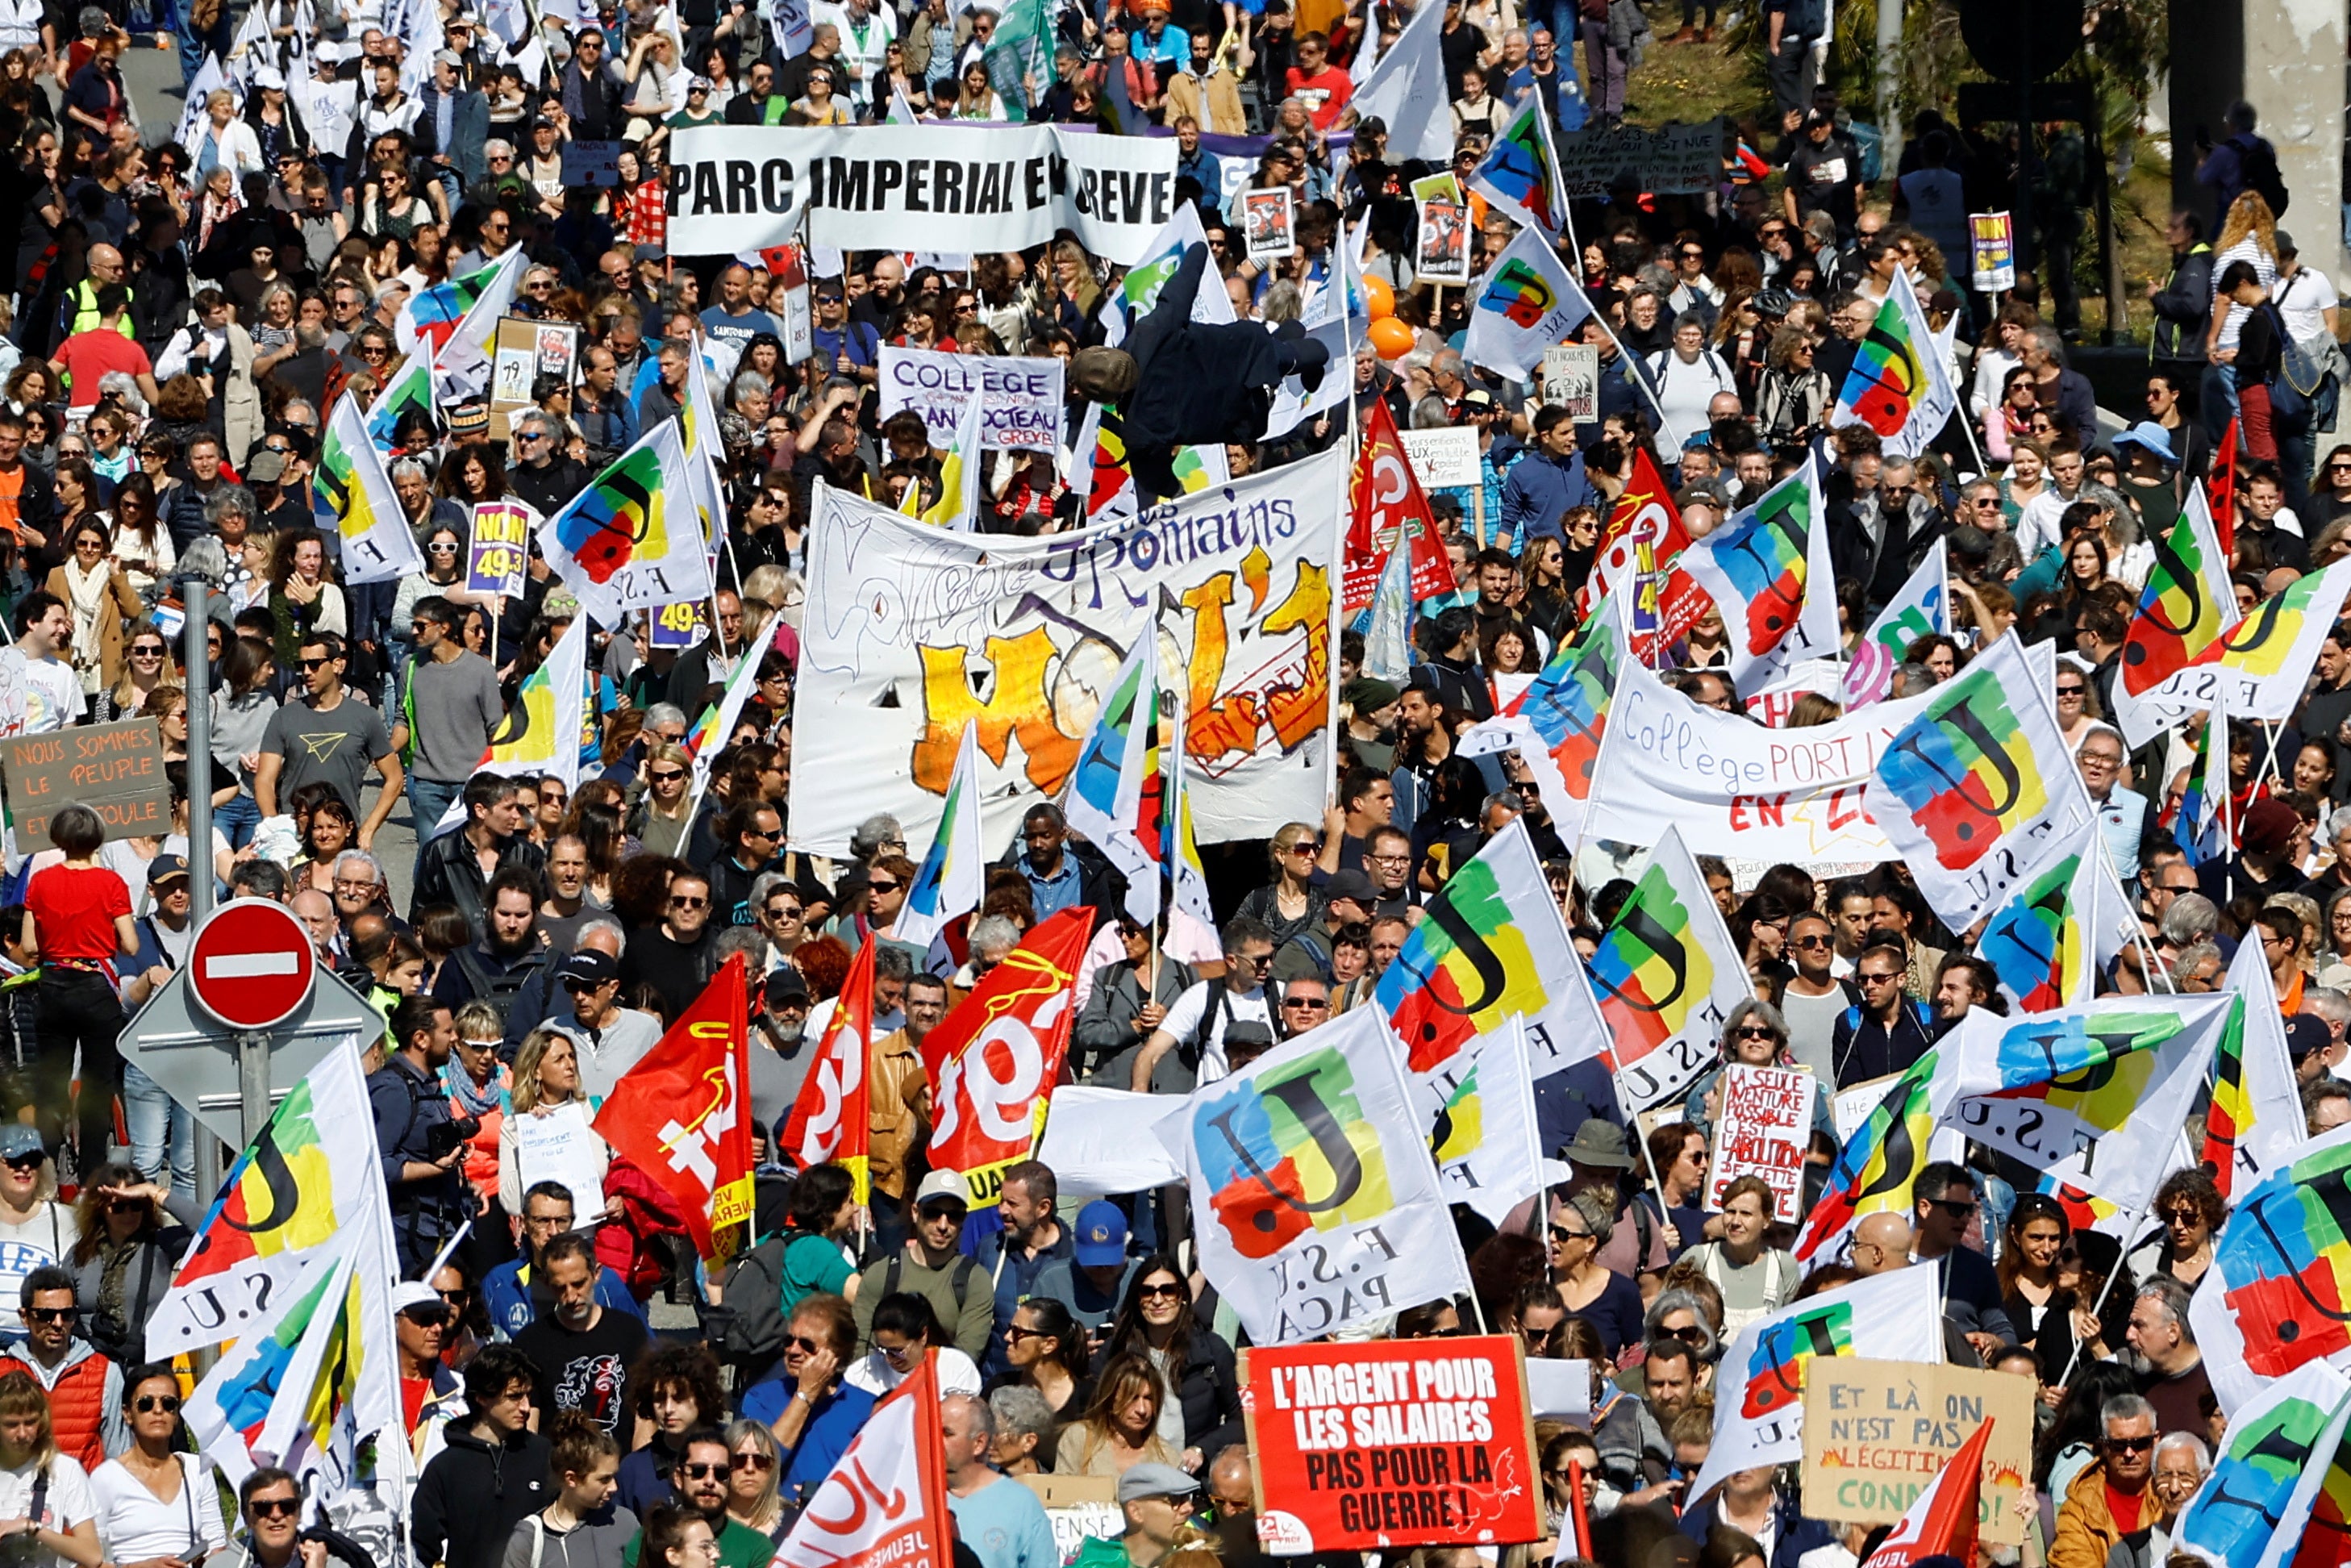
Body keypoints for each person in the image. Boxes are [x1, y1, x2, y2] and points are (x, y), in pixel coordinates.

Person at [21, 803, 135, 1167]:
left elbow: (29, 946)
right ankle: (91, 1174)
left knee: (51, 1085)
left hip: (53, 987)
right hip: (96, 988)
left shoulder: (41, 881)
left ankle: (46, 1170)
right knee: (99, 1085)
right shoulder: (111, 883)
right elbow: (131, 944)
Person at [1096, 1257, 1241, 1471]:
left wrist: (1202, 1450)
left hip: (1190, 1478)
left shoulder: (1212, 1350)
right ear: (1137, 1299)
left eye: (1168, 1291)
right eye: (1147, 1292)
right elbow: (1091, 1412)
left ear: (1182, 1296)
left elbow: (1241, 1420)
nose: (1157, 1300)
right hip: (1127, 1473)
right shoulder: (1115, 1351)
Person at [416, 1345, 553, 1568]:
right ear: (482, 1397)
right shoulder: (446, 1467)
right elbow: (423, 1546)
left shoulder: (545, 1455)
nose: (526, 1407)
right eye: (515, 1397)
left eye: (528, 1395)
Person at [511, 1232, 648, 1441]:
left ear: (596, 1273)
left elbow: (644, 1413)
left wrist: (635, 1471)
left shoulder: (629, 1332)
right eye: (560, 1288)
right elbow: (529, 1420)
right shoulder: (530, 1342)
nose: (571, 1296)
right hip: (558, 1467)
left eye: (578, 1284)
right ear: (546, 1284)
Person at [85, 1364, 223, 1567]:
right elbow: (87, 1560)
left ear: (176, 1415)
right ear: (127, 1413)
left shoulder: (197, 1468)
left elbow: (217, 1547)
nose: (158, 1410)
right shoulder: (106, 1477)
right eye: (146, 1404)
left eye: (168, 1404)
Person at [848, 1170, 993, 1362]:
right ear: (915, 1213)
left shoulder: (975, 1280)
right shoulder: (881, 1274)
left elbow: (965, 1357)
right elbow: (861, 1348)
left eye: (954, 1216)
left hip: (942, 1385)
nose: (943, 1225)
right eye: (933, 1213)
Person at [737, 1294, 874, 1496]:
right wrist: (805, 1395)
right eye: (789, 1340)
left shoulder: (866, 1407)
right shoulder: (761, 1398)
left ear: (836, 1353)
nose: (793, 1350)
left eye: (807, 1345)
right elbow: (762, 1463)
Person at [0, 1269, 122, 1470]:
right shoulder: (4, 1372)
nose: (58, 1324)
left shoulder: (106, 1372)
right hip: (17, 1497)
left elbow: (118, 1459)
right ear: (24, 1317)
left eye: (67, 1314)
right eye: (46, 1315)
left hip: (83, 1497)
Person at [619, 1428, 773, 1568]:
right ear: (679, 1478)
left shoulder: (756, 1548)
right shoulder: (651, 1539)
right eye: (699, 1471)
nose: (710, 1481)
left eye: (721, 1473)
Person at [1909, 1161, 2016, 1362]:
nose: (1965, 1219)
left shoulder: (1977, 1268)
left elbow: (2006, 1336)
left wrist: (1992, 1341)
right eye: (1956, 1210)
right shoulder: (1891, 1261)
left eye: (1969, 1210)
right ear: (1924, 1207)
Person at [505, 1412, 636, 1568]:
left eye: (614, 1476)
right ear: (572, 1479)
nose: (614, 1487)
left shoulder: (625, 1523)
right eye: (604, 1480)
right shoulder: (528, 1539)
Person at [943, 1392, 1057, 1568]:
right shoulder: (915, 1499)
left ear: (979, 1443)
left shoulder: (1022, 1503)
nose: (935, 1440)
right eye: (931, 1431)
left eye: (947, 1433)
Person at [0, 1368, 100, 1568]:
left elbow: (93, 1555)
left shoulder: (64, 1469)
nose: (22, 1434)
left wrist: (32, 1527)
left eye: (30, 1422)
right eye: (11, 1425)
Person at [2049, 1395, 2159, 1568]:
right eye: (2119, 1445)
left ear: (2156, 1440)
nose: (2129, 1454)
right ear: (2104, 1446)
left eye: (2139, 1444)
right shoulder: (2078, 1509)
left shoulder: (2173, 1496)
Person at [615, 1344, 723, 1517]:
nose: (668, 1409)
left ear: (702, 1396)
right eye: (659, 1399)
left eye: (679, 1398)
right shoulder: (633, 1469)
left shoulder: (735, 1451)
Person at [1054, 1350, 1178, 1478]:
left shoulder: (1167, 1458)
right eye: (1132, 1397)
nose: (1142, 1410)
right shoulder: (1079, 1439)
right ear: (1111, 1397)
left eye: (1149, 1398)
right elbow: (1061, 1492)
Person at [2124, 1277, 2211, 1438]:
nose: (2129, 1335)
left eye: (2140, 1326)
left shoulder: (2215, 1381)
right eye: (2130, 1325)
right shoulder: (2136, 1387)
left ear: (2173, 1332)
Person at [1069, 1463, 1198, 1568]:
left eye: (1188, 1499)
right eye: (1175, 1500)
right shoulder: (1097, 1564)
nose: (1189, 1509)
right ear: (1135, 1512)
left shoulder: (1193, 1561)